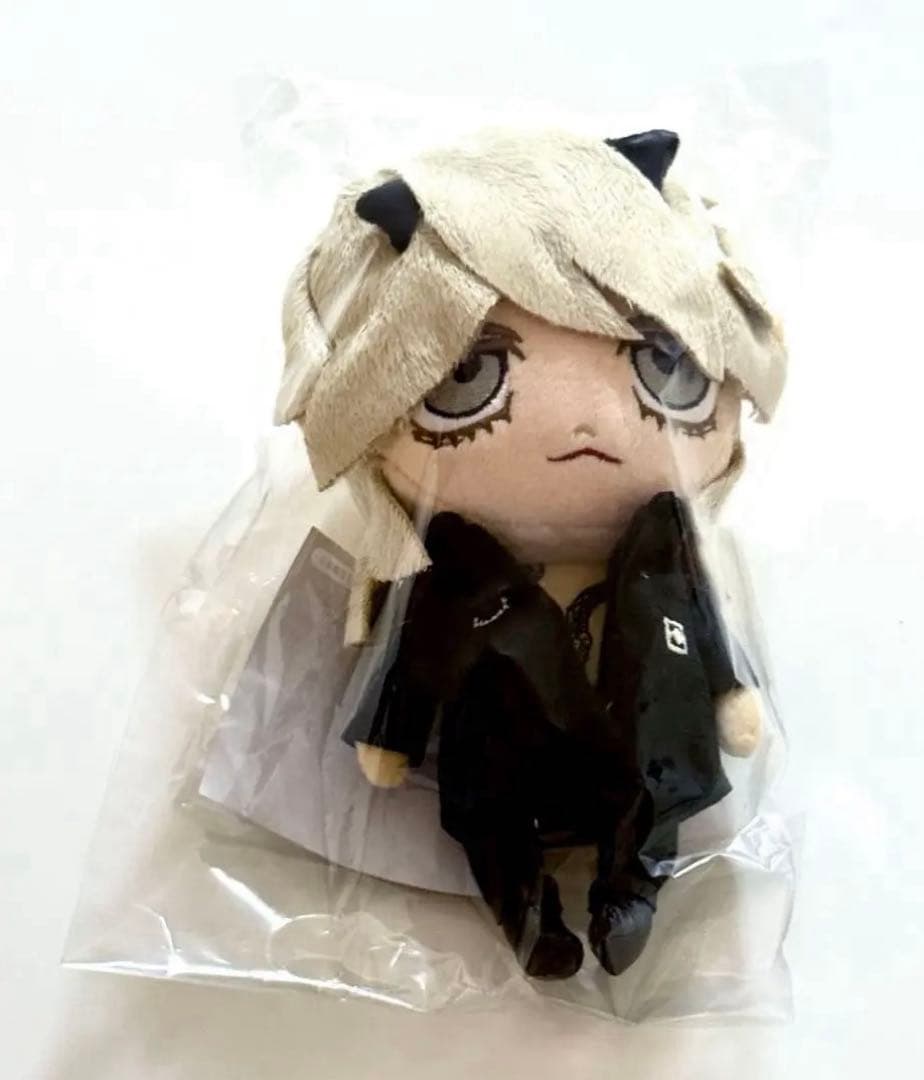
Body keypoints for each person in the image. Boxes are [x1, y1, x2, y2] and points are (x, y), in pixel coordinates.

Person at [275, 128, 787, 978]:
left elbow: (704, 621)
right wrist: (394, 734)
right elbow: (414, 657)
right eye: (466, 380)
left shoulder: (663, 546)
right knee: (491, 810)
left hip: (636, 734)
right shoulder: (455, 567)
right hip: (505, 741)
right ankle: (525, 914)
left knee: (652, 788)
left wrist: (731, 689)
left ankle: (631, 888)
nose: (583, 422)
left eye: (660, 368)